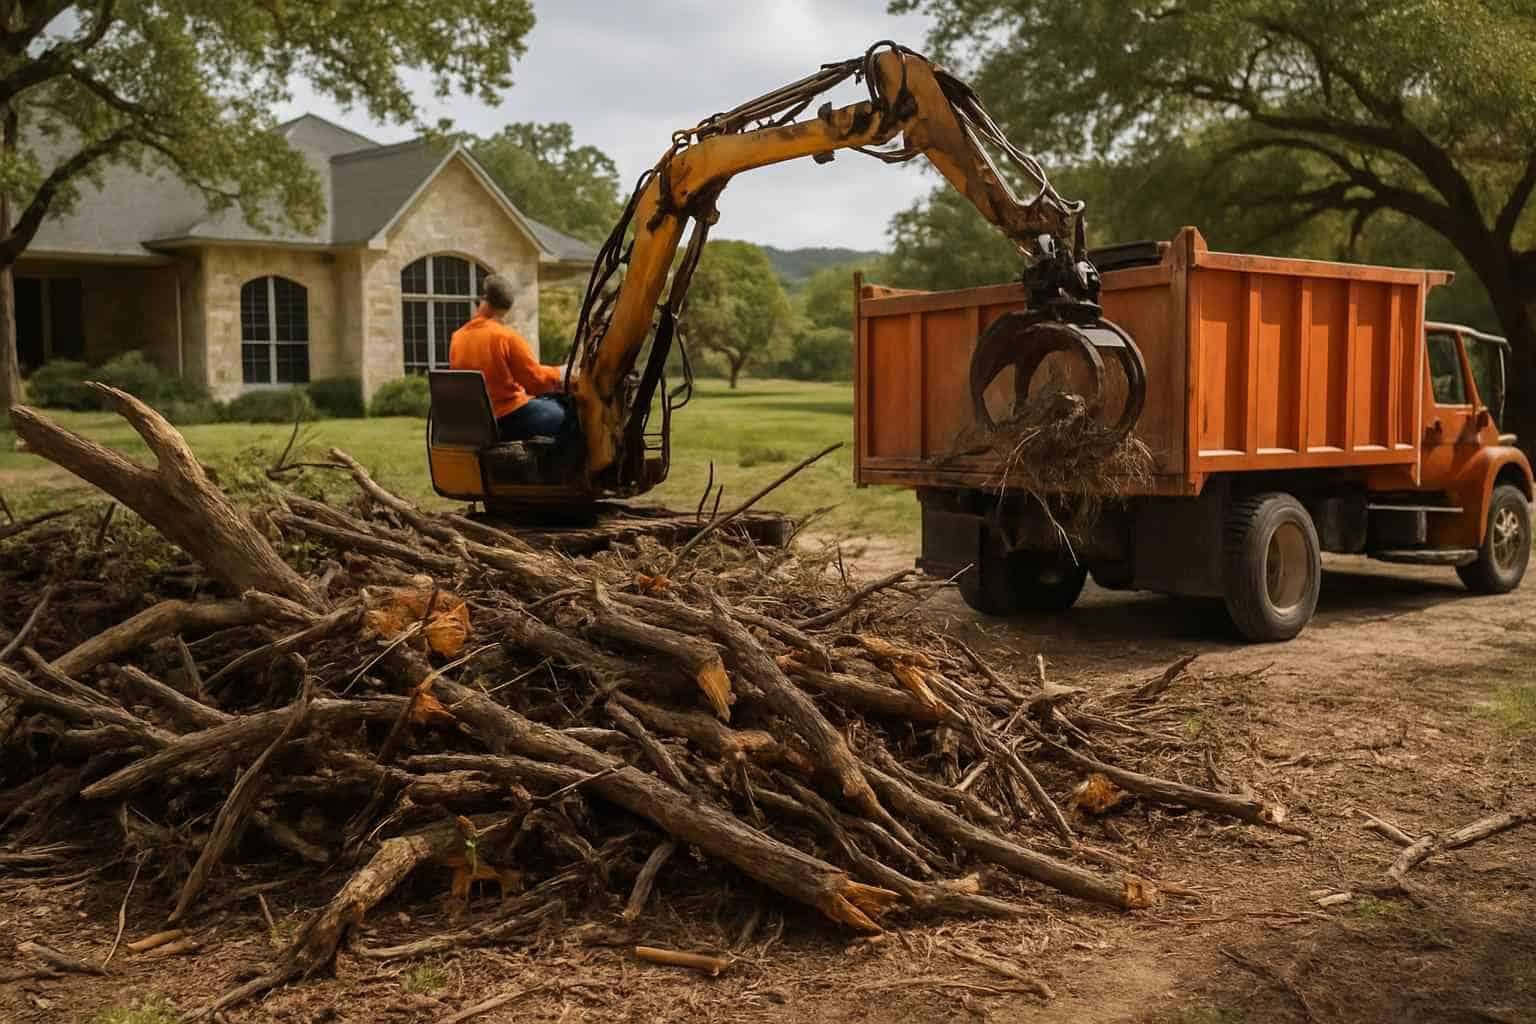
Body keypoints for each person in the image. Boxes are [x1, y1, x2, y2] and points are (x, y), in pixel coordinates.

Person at [448, 274, 571, 442]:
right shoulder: (505, 337)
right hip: (508, 418)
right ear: (506, 308)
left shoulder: (457, 338)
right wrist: (560, 373)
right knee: (567, 414)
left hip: (477, 421)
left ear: (483, 301)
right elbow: (535, 382)